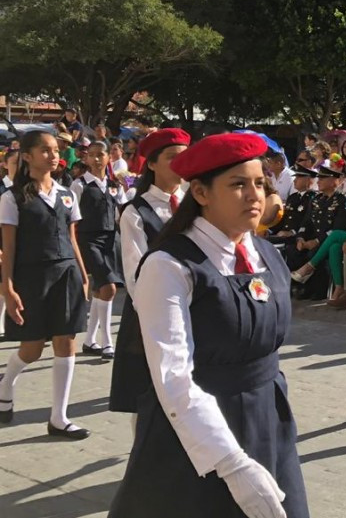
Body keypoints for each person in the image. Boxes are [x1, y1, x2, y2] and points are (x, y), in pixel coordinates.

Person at [108, 132, 308, 518]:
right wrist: (230, 462)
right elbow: (174, 378)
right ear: (200, 192)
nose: (255, 195)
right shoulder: (169, 265)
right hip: (199, 433)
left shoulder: (264, 251)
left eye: (259, 183)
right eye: (237, 185)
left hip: (268, 415)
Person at [0, 130, 90, 439]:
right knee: (33, 348)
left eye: (56, 150)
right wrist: (7, 289)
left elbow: (72, 238)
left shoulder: (67, 193)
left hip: (66, 274)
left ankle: (59, 417)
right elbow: (8, 249)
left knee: (67, 341)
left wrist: (83, 274)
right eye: (45, 150)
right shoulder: (12, 198)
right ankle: (6, 382)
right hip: (32, 277)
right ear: (26, 156)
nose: (54, 156)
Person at [110, 128, 191, 417]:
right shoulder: (136, 212)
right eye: (171, 158)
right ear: (152, 164)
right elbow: (135, 274)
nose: (180, 164)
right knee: (146, 396)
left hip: (194, 307)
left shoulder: (196, 204)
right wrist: (155, 317)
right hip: (152, 313)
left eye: (184, 158)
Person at [72, 141, 128, 360]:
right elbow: (71, 218)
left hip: (111, 239)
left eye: (101, 155)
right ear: (86, 159)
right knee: (109, 288)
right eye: (92, 155)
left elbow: (123, 210)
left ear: (108, 158)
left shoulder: (115, 185)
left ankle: (89, 340)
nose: (96, 159)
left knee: (100, 290)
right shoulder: (80, 185)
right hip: (89, 239)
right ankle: (107, 342)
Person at [289, 172, 346, 307]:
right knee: (334, 247)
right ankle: (339, 287)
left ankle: (309, 267)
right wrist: (301, 237)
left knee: (335, 234)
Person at [284, 161, 346, 296]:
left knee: (313, 252)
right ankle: (296, 288)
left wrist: (316, 241)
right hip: (310, 239)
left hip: (325, 241)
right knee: (292, 249)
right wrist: (301, 238)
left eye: (322, 178)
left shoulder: (345, 201)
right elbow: (306, 222)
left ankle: (316, 291)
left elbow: (339, 227)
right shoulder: (315, 200)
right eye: (318, 178)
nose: (318, 181)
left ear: (333, 182)